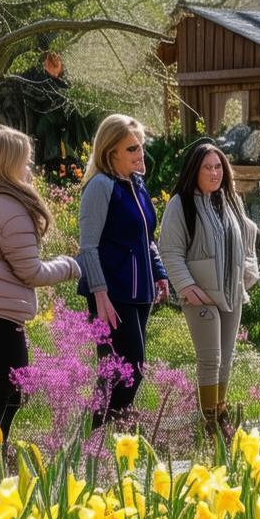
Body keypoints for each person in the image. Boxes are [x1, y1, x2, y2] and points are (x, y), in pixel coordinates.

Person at [0, 125, 80, 467]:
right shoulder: (8, 207)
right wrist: (72, 265)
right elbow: (31, 272)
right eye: (25, 161)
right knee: (4, 387)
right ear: (8, 163)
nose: (29, 168)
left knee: (13, 387)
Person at [159, 142, 260, 434]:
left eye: (218, 167)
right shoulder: (180, 204)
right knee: (210, 358)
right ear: (194, 170)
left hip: (231, 294)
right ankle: (209, 423)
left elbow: (248, 236)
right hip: (200, 297)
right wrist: (187, 286)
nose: (214, 173)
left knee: (226, 357)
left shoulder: (231, 200)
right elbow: (170, 250)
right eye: (207, 168)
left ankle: (220, 416)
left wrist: (248, 272)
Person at [77, 114, 169, 428]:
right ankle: (92, 438)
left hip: (139, 292)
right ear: (110, 151)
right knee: (125, 370)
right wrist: (99, 295)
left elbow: (146, 237)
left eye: (140, 146)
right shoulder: (100, 186)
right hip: (112, 293)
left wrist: (159, 272)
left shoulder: (136, 184)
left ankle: (105, 440)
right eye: (131, 148)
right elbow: (88, 247)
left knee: (124, 371)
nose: (140, 153)